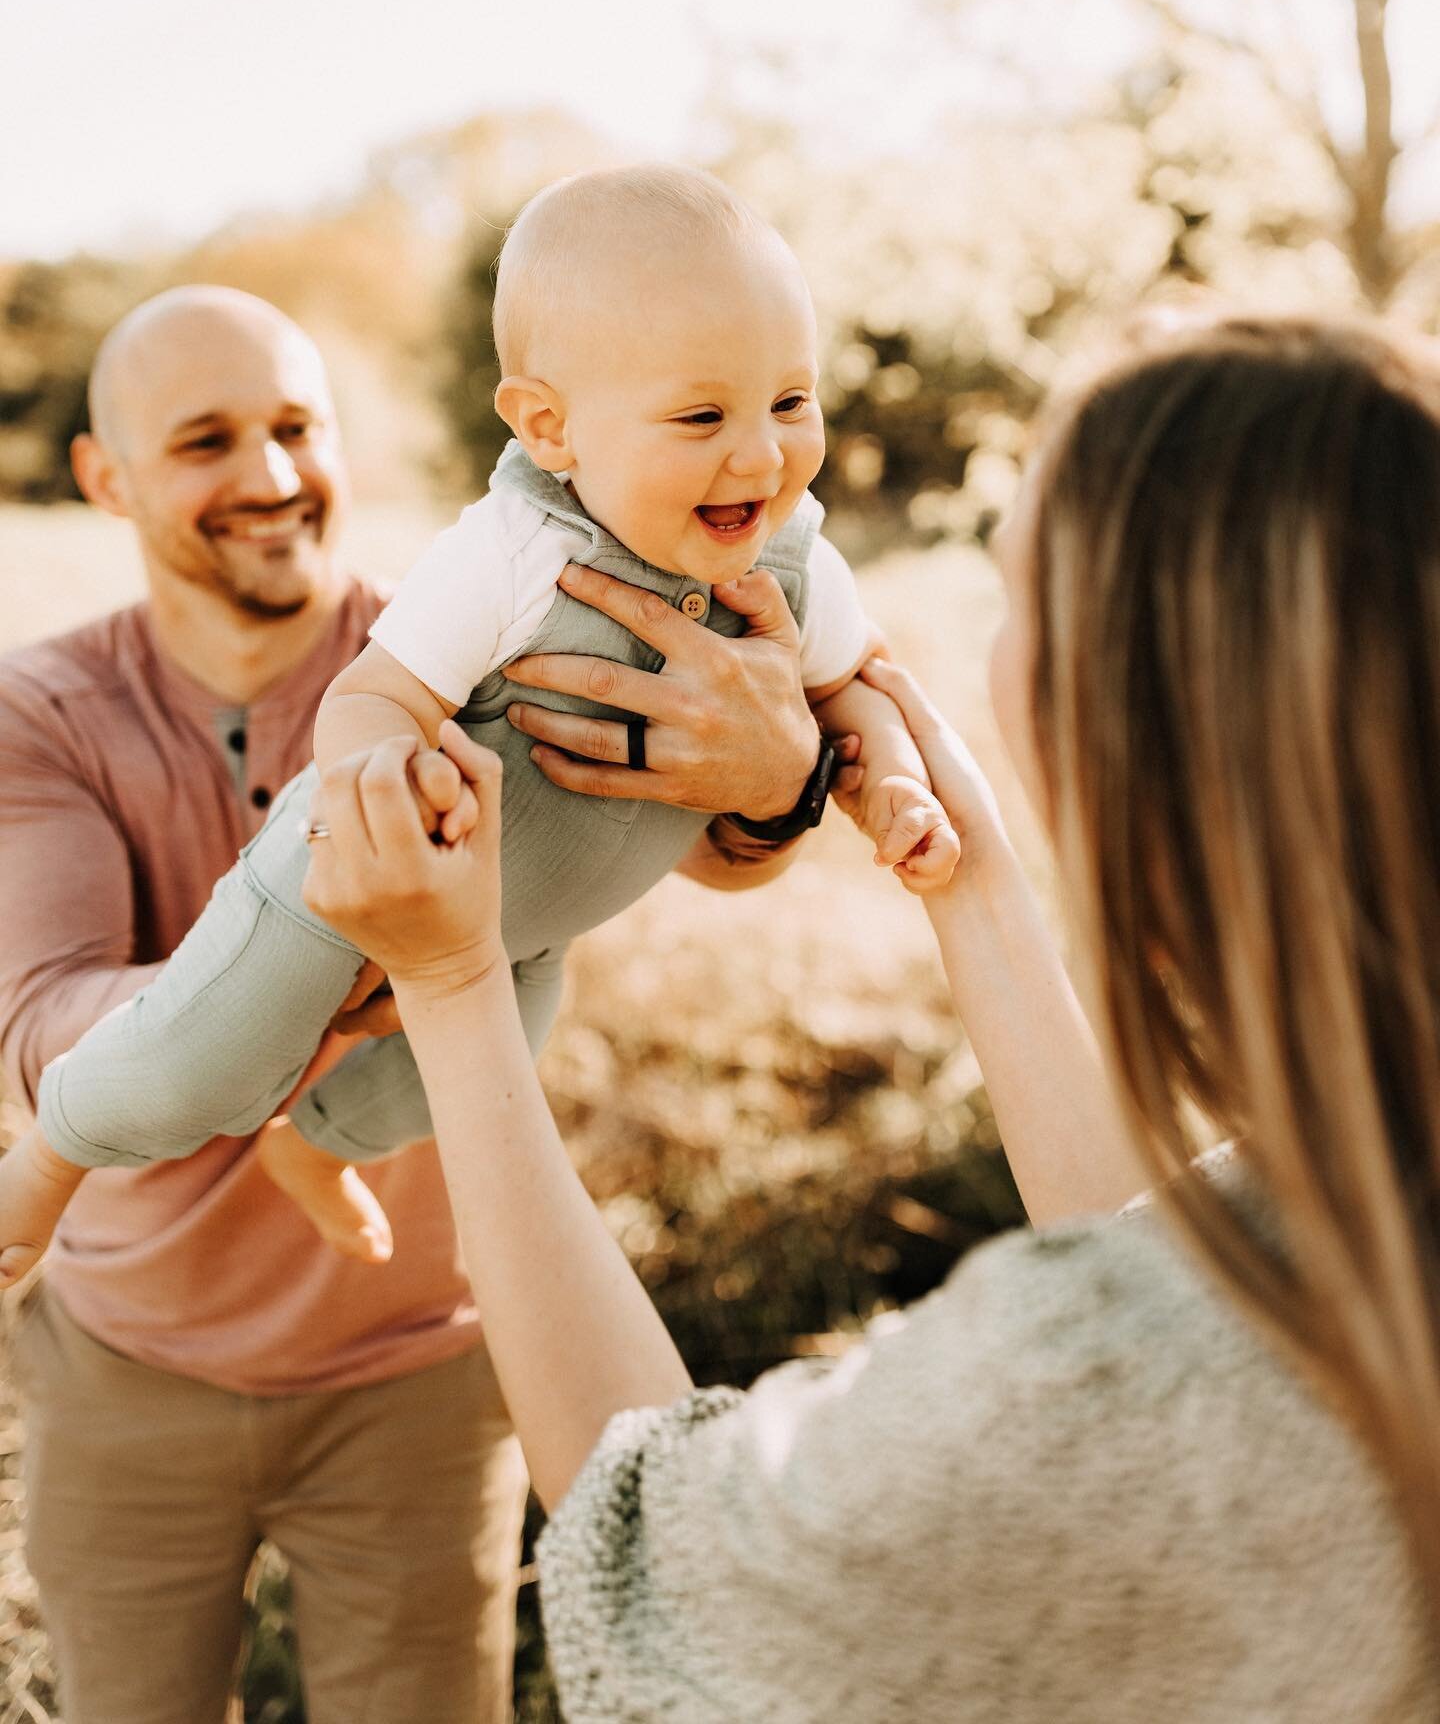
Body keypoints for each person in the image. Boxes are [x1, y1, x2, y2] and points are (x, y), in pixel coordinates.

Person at [303, 315, 1440, 1720]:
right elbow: (1178, 1274)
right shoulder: (1352, 1222)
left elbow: (656, 1566)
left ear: (1128, 712)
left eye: (1013, 597)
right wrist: (976, 891)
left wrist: (457, 987)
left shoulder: (1094, 1393)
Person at [0, 284, 832, 1724]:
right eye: (208, 440)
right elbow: (40, 1016)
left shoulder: (472, 637)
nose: (269, 476)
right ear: (105, 478)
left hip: (425, 1369)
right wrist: (310, 987)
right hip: (128, 1367)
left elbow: (707, 848)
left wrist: (784, 778)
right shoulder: (43, 709)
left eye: (296, 427)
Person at [3, 166, 955, 1270]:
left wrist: (884, 783)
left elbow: (854, 687)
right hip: (372, 877)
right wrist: (378, 815)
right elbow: (372, 697)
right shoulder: (512, 553)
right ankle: (54, 1154)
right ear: (549, 428)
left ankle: (317, 1151)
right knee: (193, 1068)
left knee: (461, 1081)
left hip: (524, 937)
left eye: (791, 402)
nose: (762, 454)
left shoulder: (795, 561)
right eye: (703, 416)